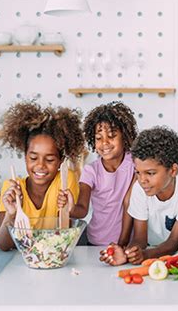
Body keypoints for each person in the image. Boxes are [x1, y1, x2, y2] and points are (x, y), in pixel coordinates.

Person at [101, 126, 178, 265]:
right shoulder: (139, 189)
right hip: (154, 252)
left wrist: (144, 255)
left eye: (150, 173)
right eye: (138, 172)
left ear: (173, 170)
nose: (142, 180)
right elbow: (140, 239)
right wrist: (128, 254)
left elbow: (173, 243)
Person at [0, 101, 85, 251]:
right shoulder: (11, 187)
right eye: (33, 158)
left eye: (49, 159)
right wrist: (11, 214)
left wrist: (68, 210)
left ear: (60, 161)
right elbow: (4, 245)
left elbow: (63, 238)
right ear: (25, 156)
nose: (40, 165)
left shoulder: (65, 180)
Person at [58, 101, 138, 246]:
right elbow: (82, 210)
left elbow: (131, 203)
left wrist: (123, 242)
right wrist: (71, 208)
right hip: (96, 242)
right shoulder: (91, 171)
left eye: (112, 135)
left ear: (125, 136)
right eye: (99, 138)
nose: (105, 143)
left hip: (129, 243)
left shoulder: (135, 163)